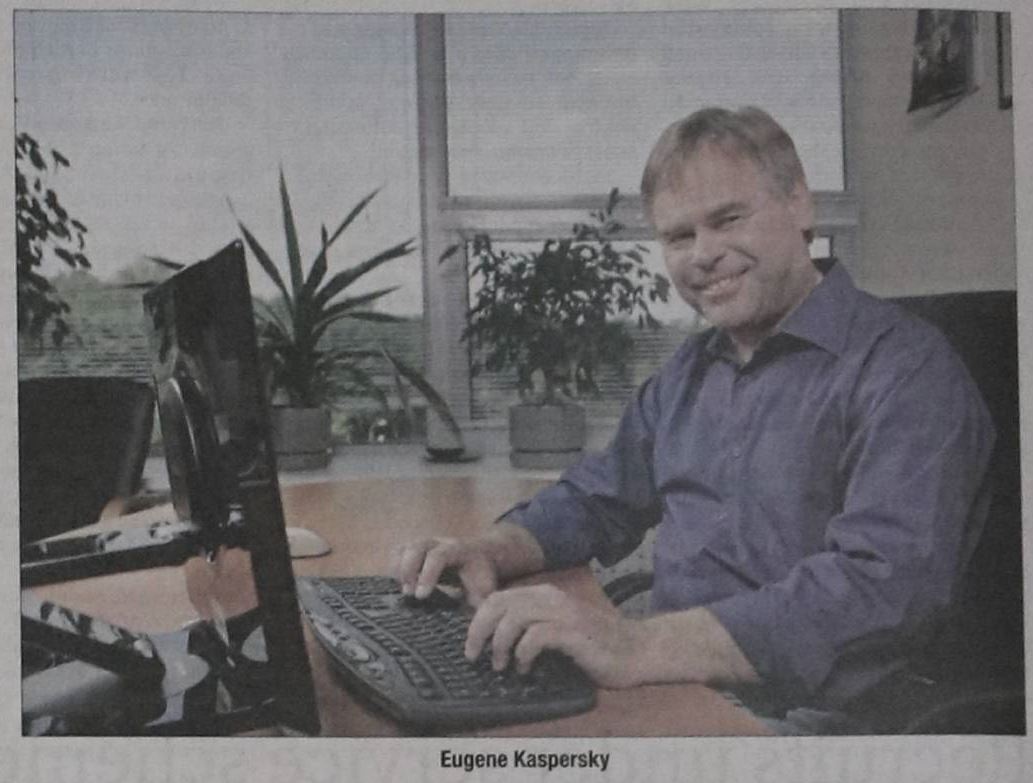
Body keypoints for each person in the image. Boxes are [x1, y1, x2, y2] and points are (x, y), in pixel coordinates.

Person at [392, 106, 994, 732]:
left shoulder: (908, 369)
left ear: (799, 205)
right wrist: (492, 549)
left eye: (728, 219)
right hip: (673, 682)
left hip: (816, 722)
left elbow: (882, 589)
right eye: (679, 237)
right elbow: (599, 497)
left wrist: (632, 644)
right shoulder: (690, 369)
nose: (704, 254)